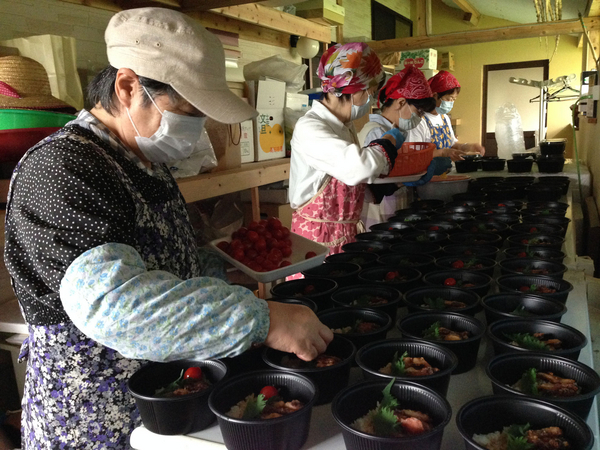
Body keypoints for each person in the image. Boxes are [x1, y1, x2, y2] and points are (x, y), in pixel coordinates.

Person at [3, 8, 332, 449]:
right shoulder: (63, 168)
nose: (196, 130)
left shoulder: (142, 161)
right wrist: (263, 319)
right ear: (127, 87)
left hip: (164, 402)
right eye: (186, 110)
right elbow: (113, 305)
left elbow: (164, 264)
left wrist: (223, 272)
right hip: (97, 417)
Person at [288, 42, 404, 256]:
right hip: (316, 240)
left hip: (345, 235)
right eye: (370, 90)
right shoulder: (310, 128)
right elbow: (358, 167)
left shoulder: (344, 126)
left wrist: (382, 187)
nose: (370, 98)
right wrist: (386, 142)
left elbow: (346, 183)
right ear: (351, 88)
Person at [356, 67, 437, 227]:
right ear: (401, 102)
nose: (420, 119)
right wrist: (407, 180)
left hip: (394, 208)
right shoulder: (376, 132)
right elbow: (374, 182)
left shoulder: (392, 131)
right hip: (379, 211)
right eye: (418, 112)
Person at [406, 70, 485, 160]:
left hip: (444, 172)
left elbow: (451, 144)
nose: (451, 103)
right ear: (435, 96)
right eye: (449, 99)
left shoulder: (444, 118)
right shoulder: (418, 121)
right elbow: (413, 154)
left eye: (454, 100)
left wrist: (467, 147)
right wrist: (442, 152)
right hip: (426, 172)